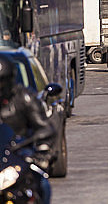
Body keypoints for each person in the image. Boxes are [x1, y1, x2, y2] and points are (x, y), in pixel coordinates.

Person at [0, 54, 56, 200]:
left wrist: (42, 151)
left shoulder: (24, 98)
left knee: (41, 184)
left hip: (19, 157)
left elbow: (44, 127)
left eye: (1, 83)